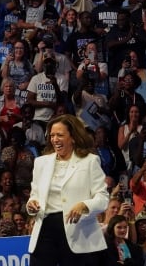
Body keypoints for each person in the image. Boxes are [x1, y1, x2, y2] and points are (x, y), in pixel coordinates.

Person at [25, 114, 109, 266]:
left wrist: (84, 205)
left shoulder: (89, 161)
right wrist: (32, 204)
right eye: (52, 135)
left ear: (73, 137)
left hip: (78, 231)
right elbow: (34, 195)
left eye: (60, 135)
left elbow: (103, 198)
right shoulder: (41, 162)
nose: (55, 139)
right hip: (45, 230)